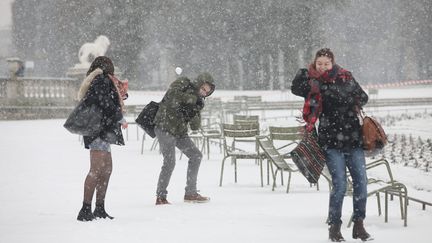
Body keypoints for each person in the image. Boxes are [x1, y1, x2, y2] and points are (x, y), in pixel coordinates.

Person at [291, 48, 371, 241]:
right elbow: (295, 88)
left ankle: (359, 225)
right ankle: (334, 227)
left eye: (326, 64)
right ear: (315, 64)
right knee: (340, 185)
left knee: (362, 183)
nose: (323, 67)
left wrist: (347, 97)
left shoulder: (346, 76)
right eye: (319, 64)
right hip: (331, 142)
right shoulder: (313, 83)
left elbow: (363, 97)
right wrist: (304, 73)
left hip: (353, 140)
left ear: (333, 63)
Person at [76, 56, 128, 221]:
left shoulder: (103, 80)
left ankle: (99, 208)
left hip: (102, 130)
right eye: (111, 66)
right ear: (106, 67)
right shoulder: (101, 79)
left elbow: (105, 99)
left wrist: (120, 95)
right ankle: (85, 209)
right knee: (97, 170)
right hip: (98, 130)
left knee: (106, 170)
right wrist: (119, 115)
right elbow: (102, 100)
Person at [153, 72, 215, 205]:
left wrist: (196, 111)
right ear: (199, 84)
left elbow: (194, 127)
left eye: (207, 92)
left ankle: (191, 193)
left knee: (196, 155)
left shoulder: (198, 101)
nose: (204, 93)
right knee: (169, 162)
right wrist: (192, 99)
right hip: (165, 127)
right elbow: (172, 95)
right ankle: (161, 196)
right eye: (203, 89)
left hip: (180, 132)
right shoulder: (183, 82)